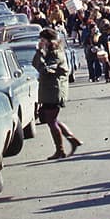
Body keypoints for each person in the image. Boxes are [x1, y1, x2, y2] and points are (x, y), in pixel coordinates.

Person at [32, 28, 82, 160]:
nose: (41, 42)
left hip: (54, 90)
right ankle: (72, 139)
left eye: (43, 40)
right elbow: (35, 64)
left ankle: (60, 150)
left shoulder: (55, 53)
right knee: (52, 119)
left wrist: (40, 53)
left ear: (49, 40)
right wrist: (39, 52)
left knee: (51, 120)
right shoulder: (48, 52)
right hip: (49, 89)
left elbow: (45, 70)